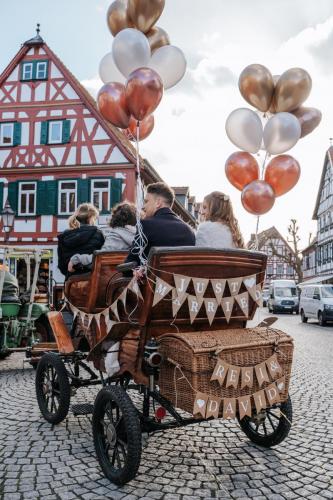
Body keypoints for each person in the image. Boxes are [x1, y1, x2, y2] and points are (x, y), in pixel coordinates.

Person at [125, 182, 195, 266]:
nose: (143, 206)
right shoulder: (189, 231)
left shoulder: (146, 225)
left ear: (158, 203)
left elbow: (131, 263)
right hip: (181, 279)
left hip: (152, 279)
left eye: (146, 201)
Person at [68, 202, 137, 271]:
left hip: (111, 278)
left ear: (116, 217)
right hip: (128, 277)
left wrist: (77, 258)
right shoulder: (139, 237)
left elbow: (100, 257)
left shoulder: (115, 236)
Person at [57, 203, 105, 279]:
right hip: (93, 279)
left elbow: (61, 266)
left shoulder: (64, 236)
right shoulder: (98, 234)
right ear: (90, 218)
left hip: (72, 280)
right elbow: (101, 258)